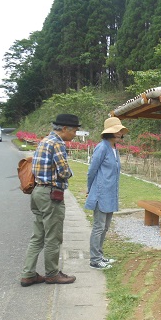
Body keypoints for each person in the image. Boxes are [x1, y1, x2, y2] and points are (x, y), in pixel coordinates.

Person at [20, 114, 81, 287]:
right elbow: (64, 171)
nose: (75, 134)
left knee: (37, 236)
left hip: (38, 191)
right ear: (64, 129)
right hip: (51, 194)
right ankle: (52, 274)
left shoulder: (44, 141)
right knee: (53, 237)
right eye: (74, 130)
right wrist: (70, 174)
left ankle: (28, 274)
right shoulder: (57, 143)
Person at [85, 117, 128, 269]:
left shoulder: (114, 148)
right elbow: (91, 171)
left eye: (120, 131)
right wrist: (90, 189)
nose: (119, 133)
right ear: (109, 133)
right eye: (116, 131)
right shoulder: (102, 147)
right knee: (98, 226)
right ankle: (94, 260)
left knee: (105, 227)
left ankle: (100, 255)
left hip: (111, 193)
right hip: (100, 193)